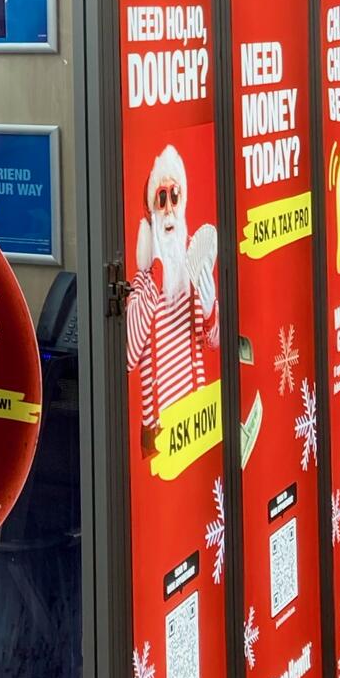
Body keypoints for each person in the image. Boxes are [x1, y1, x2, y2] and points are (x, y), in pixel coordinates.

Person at [125, 144, 218, 452]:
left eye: (174, 196)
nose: (168, 209)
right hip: (159, 436)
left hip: (196, 422)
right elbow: (127, 355)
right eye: (161, 197)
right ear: (151, 215)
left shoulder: (195, 267)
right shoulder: (144, 282)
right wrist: (155, 276)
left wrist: (210, 311)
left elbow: (216, 341)